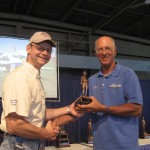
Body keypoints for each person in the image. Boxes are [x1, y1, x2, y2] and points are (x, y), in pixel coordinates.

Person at [0, 31, 82, 150]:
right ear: (28, 48)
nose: (45, 53)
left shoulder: (34, 78)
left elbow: (39, 114)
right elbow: (14, 124)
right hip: (19, 144)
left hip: (29, 143)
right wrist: (46, 133)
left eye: (48, 50)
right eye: (40, 48)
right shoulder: (20, 77)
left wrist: (69, 108)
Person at [76, 36, 143, 150]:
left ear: (115, 51)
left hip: (125, 147)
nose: (104, 52)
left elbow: (137, 110)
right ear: (96, 54)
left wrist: (103, 108)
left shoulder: (127, 74)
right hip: (100, 146)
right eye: (100, 49)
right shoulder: (91, 80)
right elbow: (89, 108)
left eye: (107, 48)